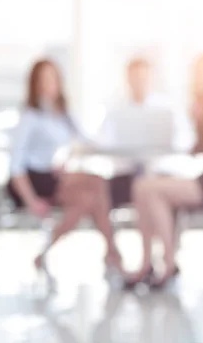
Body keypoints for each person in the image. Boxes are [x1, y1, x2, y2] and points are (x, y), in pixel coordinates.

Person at [122, 54, 203, 289]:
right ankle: (151, 262)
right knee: (147, 186)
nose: (199, 77)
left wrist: (194, 127)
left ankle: (164, 264)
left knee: (145, 188)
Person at [7, 59, 122, 274]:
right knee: (94, 188)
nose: (49, 84)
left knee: (92, 194)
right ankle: (113, 253)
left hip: (51, 174)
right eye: (44, 80)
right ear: (35, 84)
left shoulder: (62, 115)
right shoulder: (30, 116)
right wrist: (31, 201)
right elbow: (16, 165)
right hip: (32, 180)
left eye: (53, 78)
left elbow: (87, 140)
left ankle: (46, 254)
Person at [98, 58, 195, 208]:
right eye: (135, 78)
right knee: (102, 193)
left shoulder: (166, 109)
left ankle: (163, 231)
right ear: (127, 79)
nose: (139, 83)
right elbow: (102, 141)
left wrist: (169, 146)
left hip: (160, 172)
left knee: (157, 190)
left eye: (143, 78)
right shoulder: (116, 110)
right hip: (126, 173)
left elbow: (187, 139)